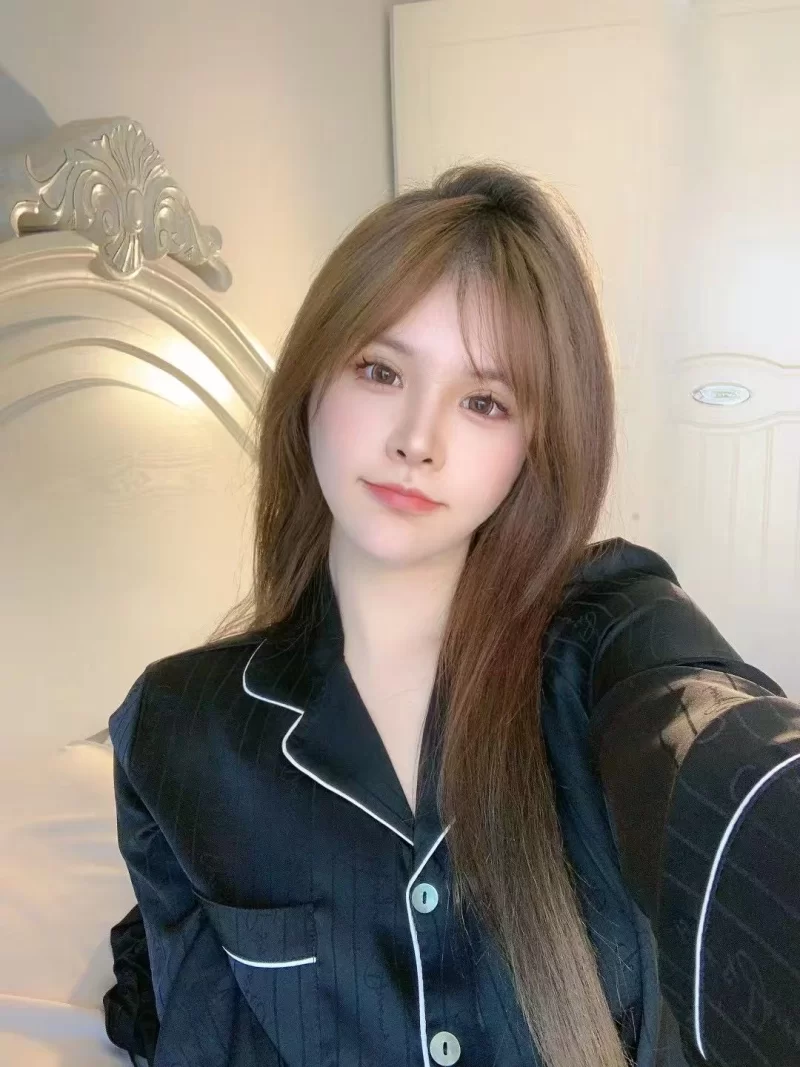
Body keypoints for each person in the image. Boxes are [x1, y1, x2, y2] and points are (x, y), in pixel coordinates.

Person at [103, 163, 800, 1067]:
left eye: (483, 401)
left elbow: (719, 753)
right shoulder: (179, 726)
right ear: (313, 382)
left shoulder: (604, 633)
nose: (417, 440)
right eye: (380, 369)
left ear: (534, 445)